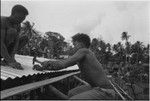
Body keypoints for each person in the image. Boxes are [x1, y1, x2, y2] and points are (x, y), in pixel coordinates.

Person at [33, 33, 116, 99]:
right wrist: (46, 64)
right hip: (94, 87)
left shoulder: (84, 51)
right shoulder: (84, 54)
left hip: (105, 91)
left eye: (74, 44)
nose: (73, 47)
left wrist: (45, 65)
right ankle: (51, 88)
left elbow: (63, 64)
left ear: (81, 44)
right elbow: (64, 62)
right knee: (71, 93)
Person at [1, 5, 29, 69]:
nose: (21, 21)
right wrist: (10, 61)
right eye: (20, 18)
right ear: (13, 14)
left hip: (3, 52)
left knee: (25, 38)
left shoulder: (17, 24)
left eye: (23, 19)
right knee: (12, 31)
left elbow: (16, 42)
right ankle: (7, 59)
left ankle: (6, 59)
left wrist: (12, 57)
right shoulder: (2, 21)